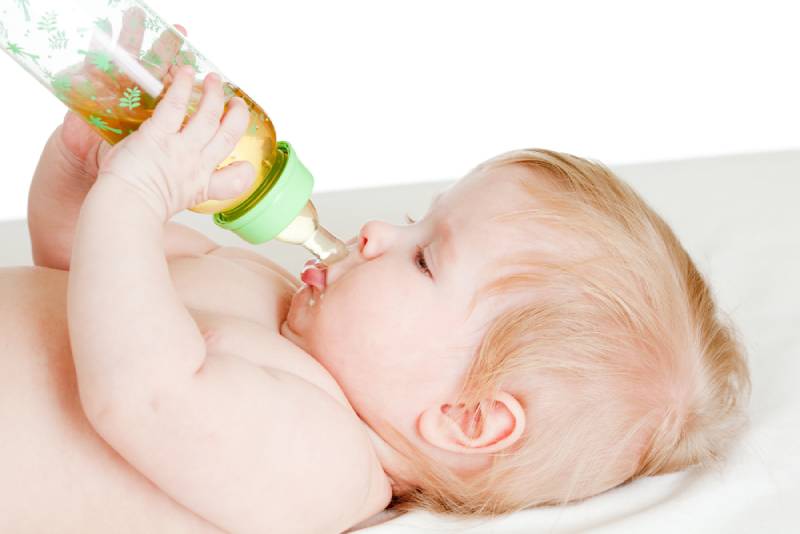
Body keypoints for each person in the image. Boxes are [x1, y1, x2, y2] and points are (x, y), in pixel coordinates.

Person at [3, 46, 750, 534]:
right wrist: (88, 168)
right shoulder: (267, 290)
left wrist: (136, 194)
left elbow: (141, 395)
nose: (375, 237)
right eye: (410, 221)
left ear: (467, 418)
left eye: (423, 259)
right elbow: (77, 267)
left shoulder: (325, 463)